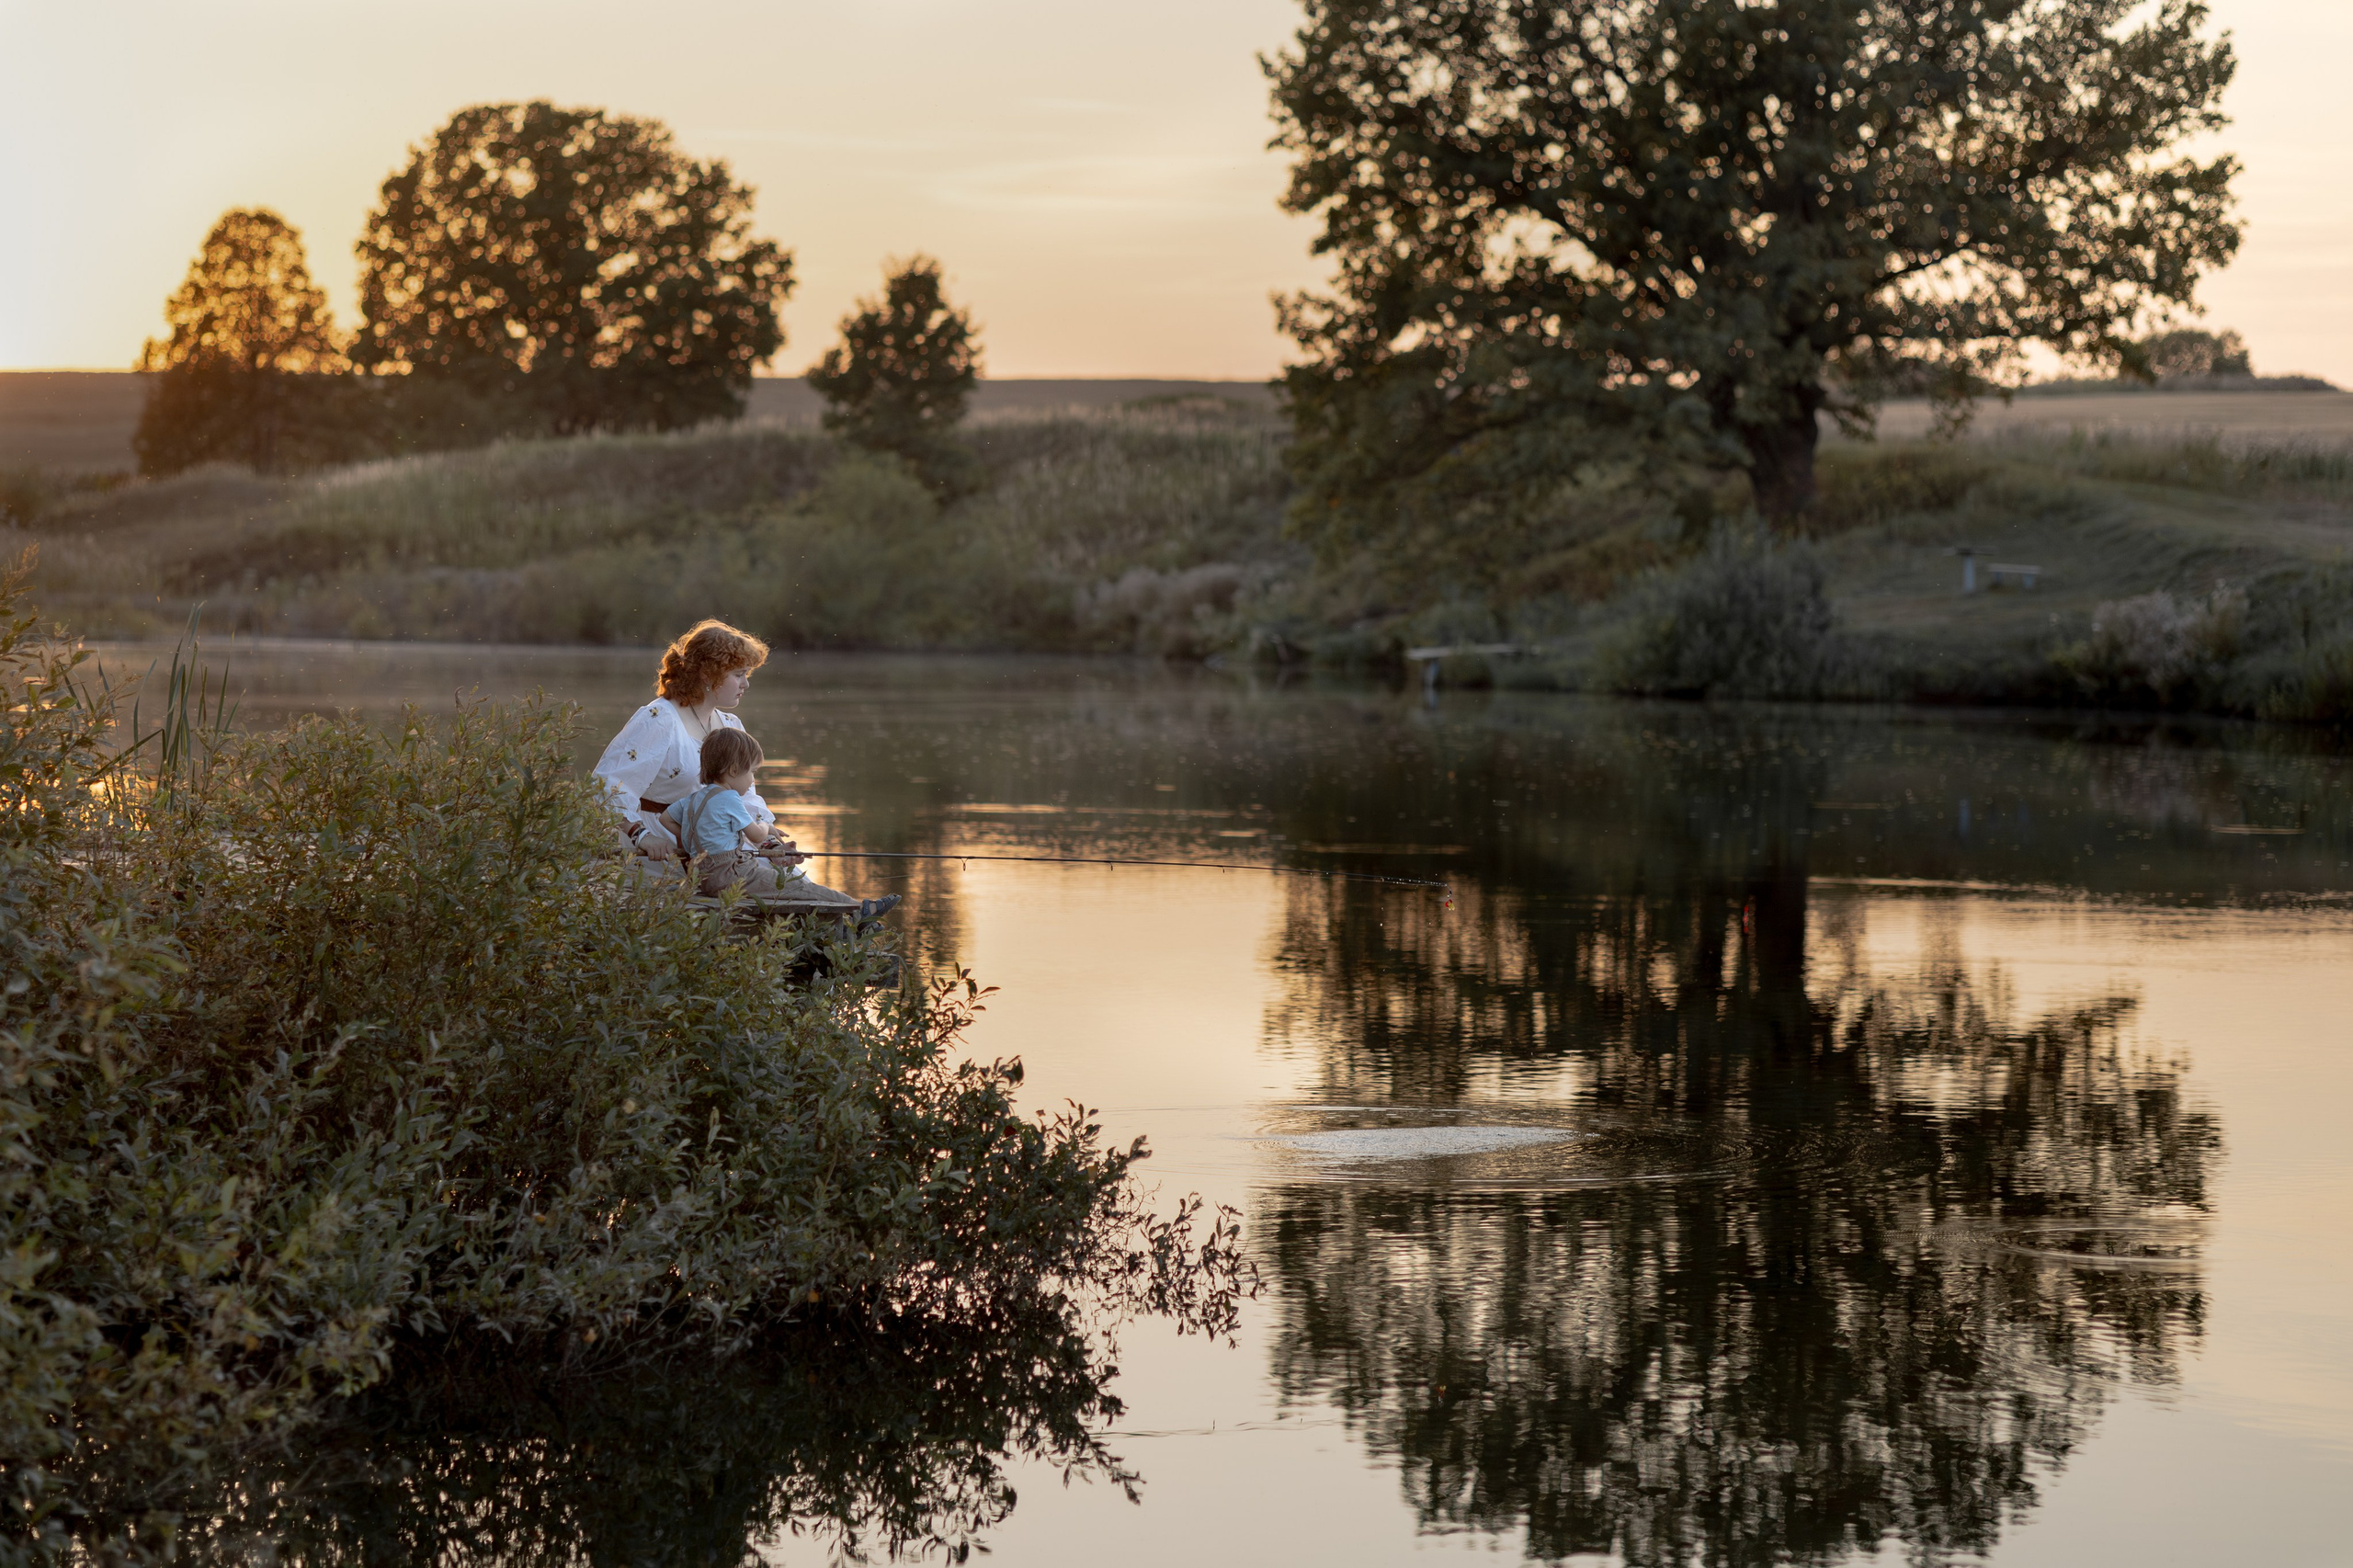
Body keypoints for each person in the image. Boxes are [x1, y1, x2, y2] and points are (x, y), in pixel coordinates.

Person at [591, 619, 898, 920]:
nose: (746, 684)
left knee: (786, 874)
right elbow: (607, 785)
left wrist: (769, 843)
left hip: (715, 838)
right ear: (710, 675)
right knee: (766, 882)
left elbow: (744, 799)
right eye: (739, 674)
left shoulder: (729, 726)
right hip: (665, 838)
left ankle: (849, 924)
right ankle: (853, 915)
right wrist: (641, 835)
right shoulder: (659, 719)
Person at [665, 729, 796, 898]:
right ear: (734, 770)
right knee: (800, 887)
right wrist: (767, 826)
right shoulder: (729, 798)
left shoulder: (693, 798)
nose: (753, 780)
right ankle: (842, 903)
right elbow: (756, 836)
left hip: (701, 879)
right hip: (730, 877)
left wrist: (696, 835)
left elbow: (665, 819)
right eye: (752, 772)